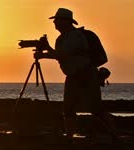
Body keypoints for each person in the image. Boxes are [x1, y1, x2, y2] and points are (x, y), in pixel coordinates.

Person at [35, 8, 117, 142]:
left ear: (66, 22)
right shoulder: (61, 39)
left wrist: (43, 55)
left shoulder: (75, 36)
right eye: (54, 20)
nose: (54, 23)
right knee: (68, 108)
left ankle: (114, 135)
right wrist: (47, 49)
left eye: (57, 20)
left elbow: (63, 55)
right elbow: (61, 56)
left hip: (86, 73)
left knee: (96, 108)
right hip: (73, 76)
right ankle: (69, 138)